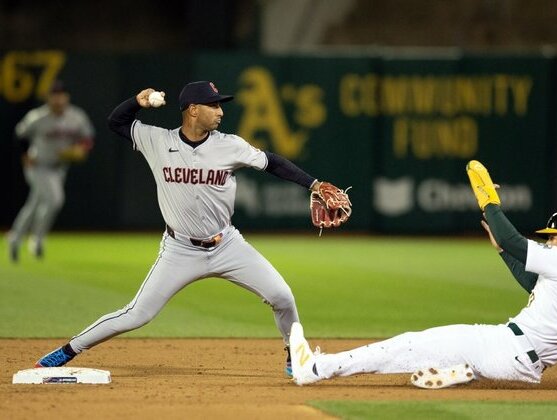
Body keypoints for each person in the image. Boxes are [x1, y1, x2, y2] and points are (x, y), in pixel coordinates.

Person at [33, 80, 350, 377]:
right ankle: (68, 350)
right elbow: (115, 123)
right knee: (137, 314)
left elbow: (273, 162)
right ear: (193, 109)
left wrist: (314, 183)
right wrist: (136, 102)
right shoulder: (158, 141)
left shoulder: (230, 145)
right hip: (179, 250)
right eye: (214, 105)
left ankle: (295, 355)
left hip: (227, 245)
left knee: (282, 295)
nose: (221, 111)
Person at [289, 160, 557, 388]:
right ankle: (462, 372)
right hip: (527, 367)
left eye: (553, 236)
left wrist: (490, 204)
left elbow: (512, 239)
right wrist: (502, 253)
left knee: (409, 344)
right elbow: (534, 287)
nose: (548, 240)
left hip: (506, 348)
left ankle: (315, 368)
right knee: (451, 348)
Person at [7, 80, 94, 262]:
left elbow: (87, 137)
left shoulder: (76, 116)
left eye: (61, 95)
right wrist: (24, 154)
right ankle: (36, 240)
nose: (58, 99)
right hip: (38, 166)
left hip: (59, 168)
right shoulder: (37, 117)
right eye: (54, 95)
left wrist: (81, 149)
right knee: (55, 200)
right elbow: (20, 134)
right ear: (48, 98)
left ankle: (15, 238)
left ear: (66, 97)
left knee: (35, 203)